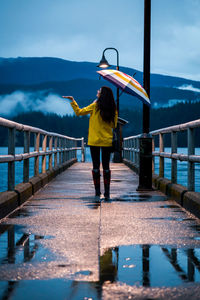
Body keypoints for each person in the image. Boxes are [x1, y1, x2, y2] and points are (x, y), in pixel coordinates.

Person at [62, 86, 118, 199]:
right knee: (106, 166)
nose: (97, 91)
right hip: (107, 141)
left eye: (99, 91)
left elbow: (79, 112)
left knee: (96, 166)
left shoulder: (95, 105)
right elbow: (114, 125)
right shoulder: (113, 108)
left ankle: (97, 192)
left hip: (94, 141)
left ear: (102, 94)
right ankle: (107, 193)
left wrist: (73, 101)